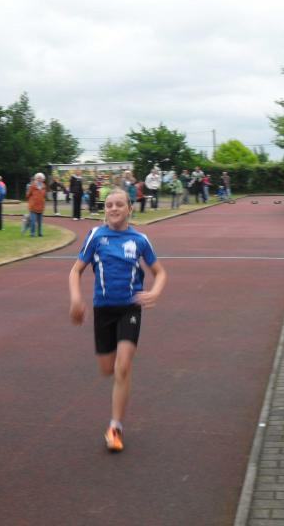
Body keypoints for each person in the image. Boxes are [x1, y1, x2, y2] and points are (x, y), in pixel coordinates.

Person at [68, 188, 167, 452]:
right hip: (103, 309)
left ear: (129, 209)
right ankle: (118, 374)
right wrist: (76, 299)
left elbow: (160, 272)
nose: (113, 208)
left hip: (129, 308)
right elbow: (76, 271)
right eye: (109, 204)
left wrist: (154, 292)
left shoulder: (140, 240)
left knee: (123, 367)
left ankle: (115, 427)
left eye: (119, 204)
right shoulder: (95, 236)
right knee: (107, 369)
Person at [26, 172, 46, 237]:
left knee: (40, 222)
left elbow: (44, 196)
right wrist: (31, 201)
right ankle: (32, 233)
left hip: (41, 206)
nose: (39, 179)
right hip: (33, 206)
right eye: (38, 178)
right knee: (33, 221)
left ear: (43, 179)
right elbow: (28, 195)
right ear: (36, 178)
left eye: (41, 178)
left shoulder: (44, 186)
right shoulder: (32, 185)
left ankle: (40, 233)